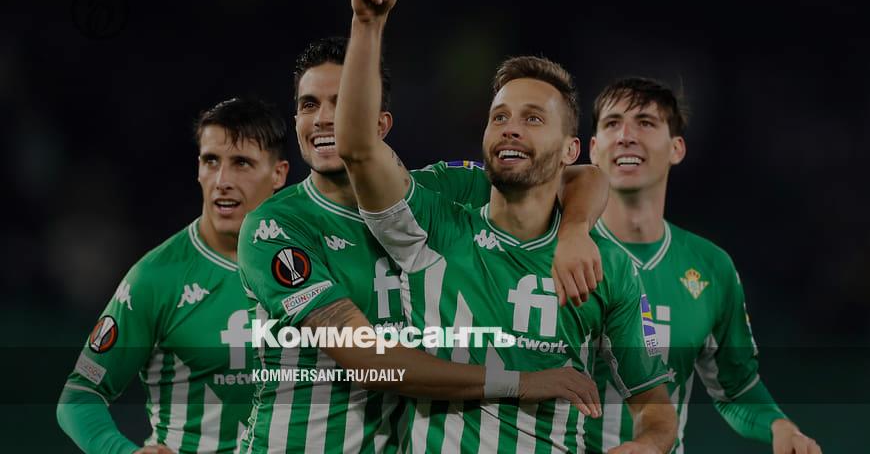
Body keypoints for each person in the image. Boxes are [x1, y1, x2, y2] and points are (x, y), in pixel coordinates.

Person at [336, 0, 677, 453]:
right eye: (500, 117)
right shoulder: (432, 228)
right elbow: (358, 148)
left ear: (570, 150)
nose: (510, 128)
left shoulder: (606, 268)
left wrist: (645, 446)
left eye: (533, 118)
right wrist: (367, 24)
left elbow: (655, 410)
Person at [236, 38, 609, 451]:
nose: (324, 119)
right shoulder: (276, 226)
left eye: (342, 105)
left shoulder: (429, 199)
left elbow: (579, 175)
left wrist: (574, 230)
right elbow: (369, 361)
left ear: (378, 126)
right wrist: (519, 382)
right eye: (309, 105)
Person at [584, 76, 822, 453]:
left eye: (645, 123)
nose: (626, 135)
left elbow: (736, 387)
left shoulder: (710, 268)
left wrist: (780, 426)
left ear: (676, 148)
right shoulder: (556, 251)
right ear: (594, 149)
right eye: (612, 123)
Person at [56, 98, 290, 454]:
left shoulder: (310, 261)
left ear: (279, 174)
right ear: (198, 169)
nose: (222, 181)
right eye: (211, 161)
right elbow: (79, 396)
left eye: (241, 163)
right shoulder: (156, 278)